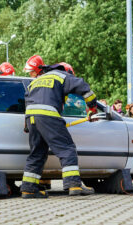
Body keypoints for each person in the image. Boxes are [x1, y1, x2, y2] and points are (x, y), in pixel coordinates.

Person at [20, 55, 97, 198]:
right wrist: (92, 107)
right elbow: (82, 85)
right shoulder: (61, 75)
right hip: (48, 116)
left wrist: (27, 125)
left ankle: (28, 189)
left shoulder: (35, 82)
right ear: (68, 71)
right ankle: (73, 185)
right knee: (67, 149)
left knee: (37, 153)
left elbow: (28, 102)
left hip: (31, 118)